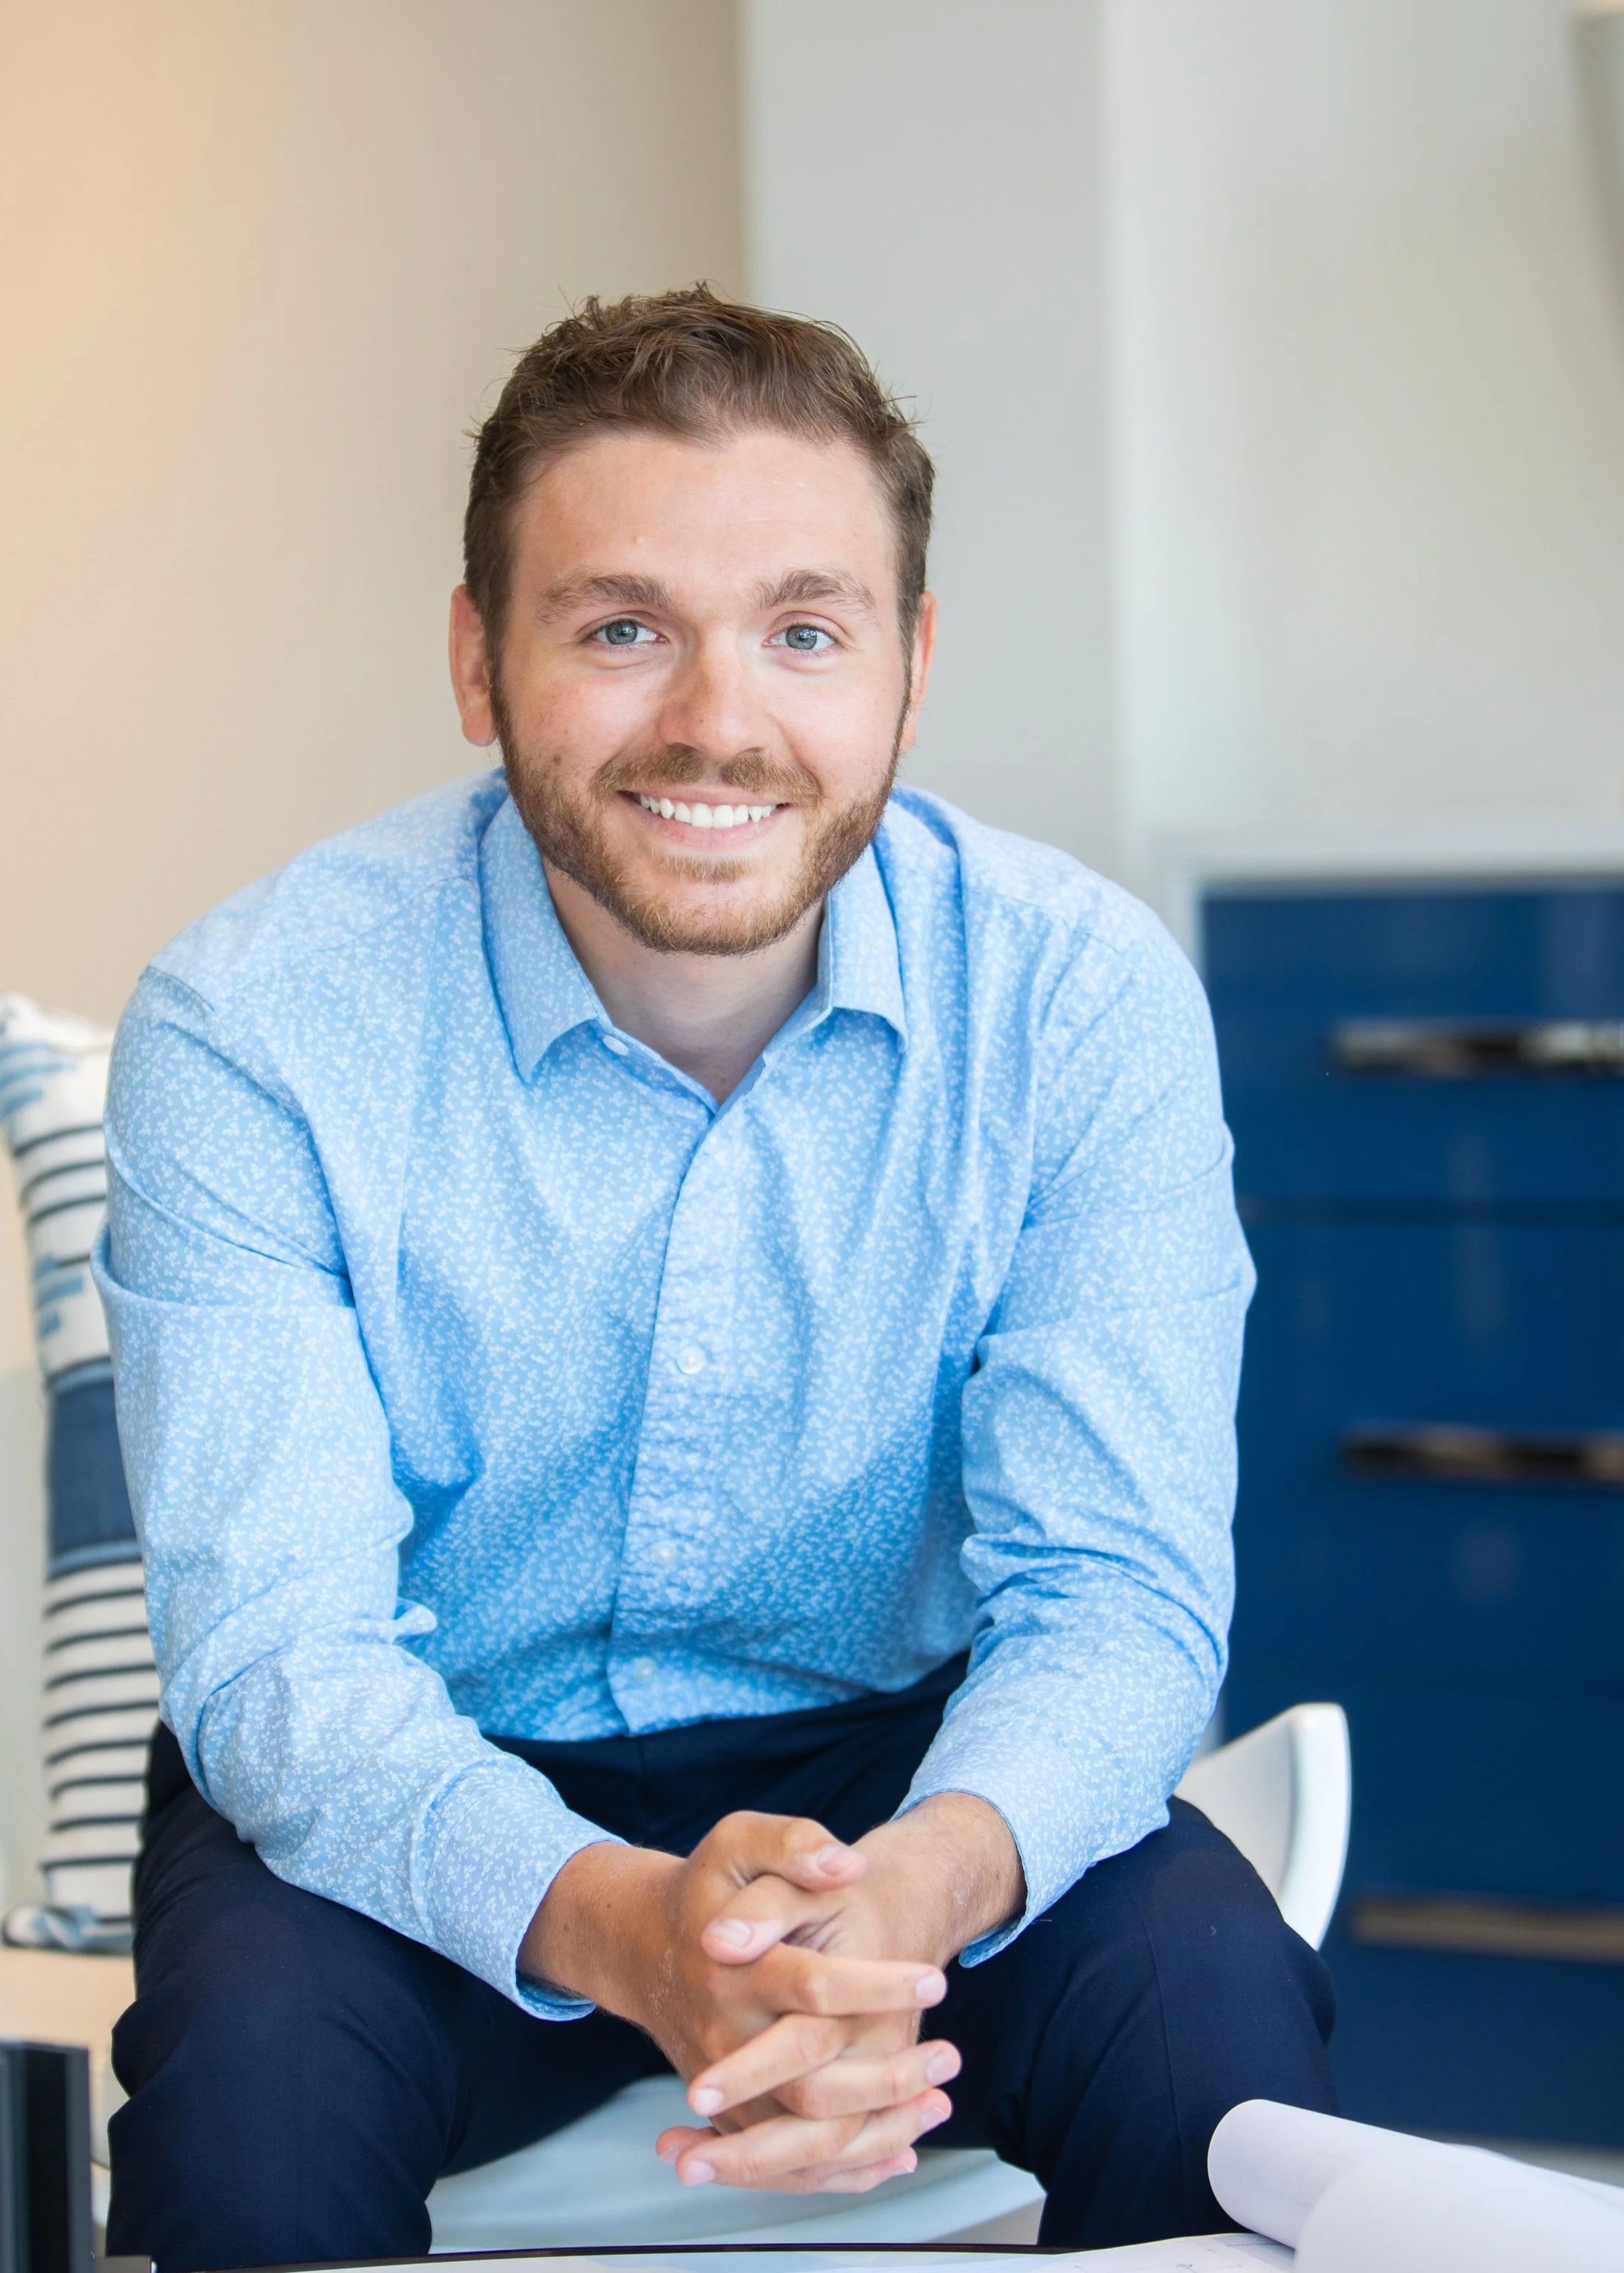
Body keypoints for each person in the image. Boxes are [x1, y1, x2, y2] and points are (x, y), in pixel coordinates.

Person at [97, 287, 1335, 2272]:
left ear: (909, 668)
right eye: (618, 627)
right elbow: (284, 1666)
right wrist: (627, 1926)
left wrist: (916, 1886)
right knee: (246, 2121)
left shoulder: (1080, 1001)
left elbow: (1112, 1591)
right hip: (417, 1766)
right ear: (476, 661)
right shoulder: (251, 1025)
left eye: (804, 629)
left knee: (1210, 2033)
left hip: (902, 1762)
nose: (715, 719)